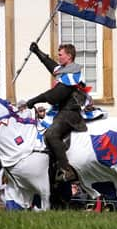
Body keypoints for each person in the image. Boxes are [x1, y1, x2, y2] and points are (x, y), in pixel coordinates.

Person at [25, 42, 87, 181]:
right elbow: (51, 66)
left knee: (51, 135)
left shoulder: (72, 73)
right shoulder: (66, 70)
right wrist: (37, 51)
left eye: (60, 55)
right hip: (63, 111)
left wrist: (33, 100)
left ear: (69, 56)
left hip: (70, 113)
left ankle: (66, 169)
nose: (58, 57)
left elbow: (54, 96)